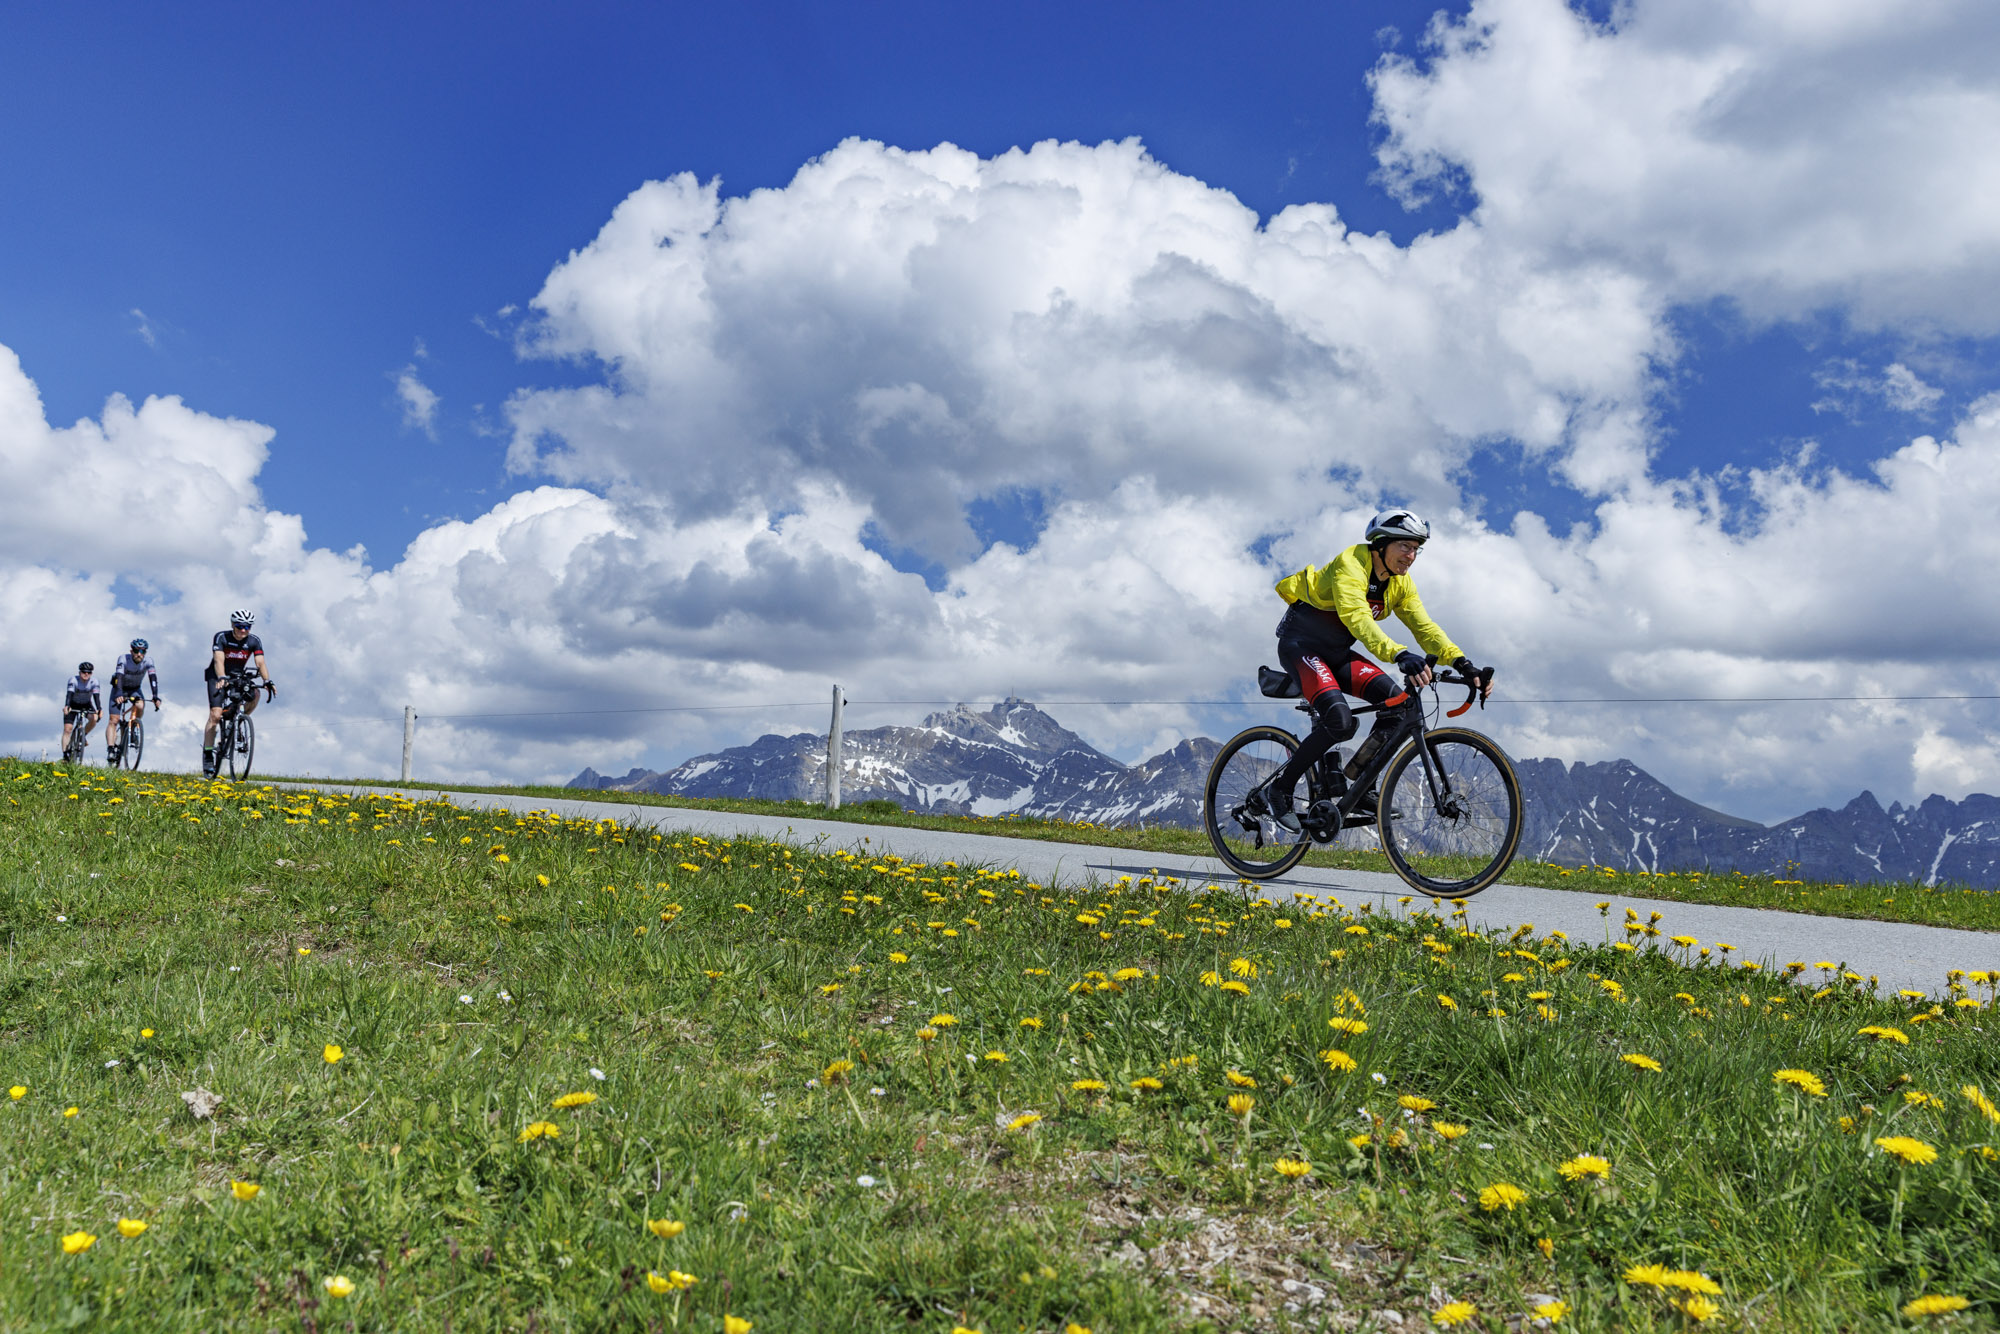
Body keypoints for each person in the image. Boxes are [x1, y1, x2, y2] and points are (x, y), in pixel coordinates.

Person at [1263, 508, 1493, 832]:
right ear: (1381, 545)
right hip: (1301, 646)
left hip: (1337, 653)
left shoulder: (1400, 583)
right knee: (1340, 721)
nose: (1411, 556)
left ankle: (1361, 787)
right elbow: (1358, 619)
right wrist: (1399, 654)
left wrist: (1463, 664)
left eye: (1416, 549)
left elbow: (1425, 627)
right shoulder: (1351, 564)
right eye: (1405, 546)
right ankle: (1280, 789)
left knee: (1399, 707)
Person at [202, 610, 275, 777]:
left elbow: (260, 662)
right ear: (232, 625)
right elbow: (218, 660)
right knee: (215, 715)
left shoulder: (254, 641)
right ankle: (208, 754)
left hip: (238, 676)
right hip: (217, 675)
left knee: (255, 694)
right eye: (240, 626)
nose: (243, 630)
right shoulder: (222, 637)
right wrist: (222, 677)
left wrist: (267, 681)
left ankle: (238, 718)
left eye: (247, 627)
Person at [106, 638, 161, 764]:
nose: (139, 654)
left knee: (141, 705)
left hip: (135, 689)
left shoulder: (148, 661)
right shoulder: (123, 659)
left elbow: (153, 678)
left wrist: (155, 696)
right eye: (136, 651)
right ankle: (110, 749)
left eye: (143, 651)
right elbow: (119, 676)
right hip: (119, 688)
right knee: (114, 720)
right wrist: (119, 693)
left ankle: (134, 725)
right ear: (131, 651)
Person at [62, 662, 103, 758]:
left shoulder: (94, 682)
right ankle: (65, 755)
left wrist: (99, 709)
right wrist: (67, 706)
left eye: (89, 672)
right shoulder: (73, 680)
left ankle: (82, 736)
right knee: (67, 729)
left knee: (94, 718)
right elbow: (69, 694)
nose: (86, 674)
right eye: (84, 672)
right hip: (73, 704)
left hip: (86, 704)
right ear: (79, 672)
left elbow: (96, 697)